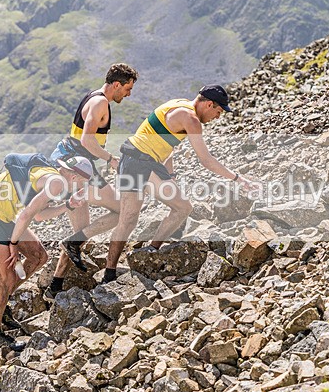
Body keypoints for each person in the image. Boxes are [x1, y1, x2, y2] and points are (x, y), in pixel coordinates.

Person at [104, 85, 259, 282]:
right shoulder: (192, 120)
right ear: (209, 104)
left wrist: (170, 175)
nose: (217, 117)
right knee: (181, 208)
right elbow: (206, 160)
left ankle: (110, 272)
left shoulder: (179, 104)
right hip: (141, 162)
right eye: (218, 112)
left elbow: (166, 142)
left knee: (129, 220)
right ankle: (151, 251)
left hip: (132, 158)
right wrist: (238, 178)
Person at [0, 153, 93, 350]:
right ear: (74, 176)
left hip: (2, 214)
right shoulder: (56, 183)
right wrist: (13, 243)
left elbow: (38, 215)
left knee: (39, 257)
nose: (82, 187)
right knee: (6, 278)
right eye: (83, 182)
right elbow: (27, 215)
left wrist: (67, 205)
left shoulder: (52, 178)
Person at [45, 63, 139, 299]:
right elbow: (88, 140)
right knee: (121, 210)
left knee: (78, 234)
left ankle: (54, 287)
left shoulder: (93, 96)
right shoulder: (100, 103)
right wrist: (110, 159)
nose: (128, 94)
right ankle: (75, 249)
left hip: (69, 164)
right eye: (127, 89)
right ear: (116, 85)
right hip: (76, 167)